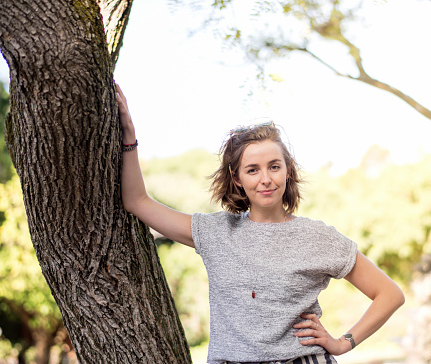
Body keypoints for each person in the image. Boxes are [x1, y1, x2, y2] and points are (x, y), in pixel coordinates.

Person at [116, 84, 405, 364]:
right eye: (253, 170)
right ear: (238, 178)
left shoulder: (317, 237)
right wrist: (129, 136)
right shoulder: (214, 233)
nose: (265, 179)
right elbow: (137, 201)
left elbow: (390, 294)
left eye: (274, 166)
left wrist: (343, 343)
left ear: (287, 171)